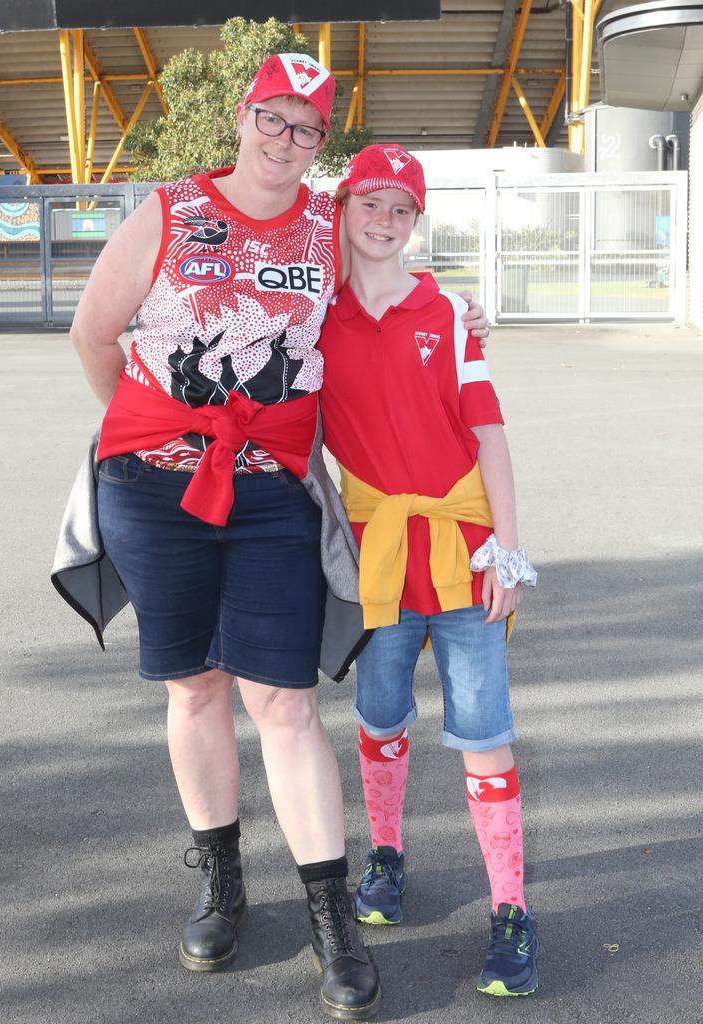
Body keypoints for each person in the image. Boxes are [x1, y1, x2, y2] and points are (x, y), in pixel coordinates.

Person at [63, 53, 488, 1020]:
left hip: (270, 496)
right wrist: (154, 433)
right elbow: (96, 336)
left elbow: (387, 268)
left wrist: (456, 311)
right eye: (273, 119)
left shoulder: (326, 221)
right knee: (193, 685)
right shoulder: (170, 211)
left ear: (319, 140)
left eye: (306, 128)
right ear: (245, 117)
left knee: (284, 701)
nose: (286, 140)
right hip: (153, 486)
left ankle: (329, 911)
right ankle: (220, 880)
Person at [318, 145, 539, 998]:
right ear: (343, 213)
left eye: (400, 210)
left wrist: (507, 552)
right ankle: (386, 857)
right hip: (375, 559)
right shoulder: (315, 320)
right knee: (378, 714)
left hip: (464, 554)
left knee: (483, 731)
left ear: (417, 223)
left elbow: (489, 434)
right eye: (368, 206)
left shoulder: (447, 313)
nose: (383, 223)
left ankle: (511, 909)